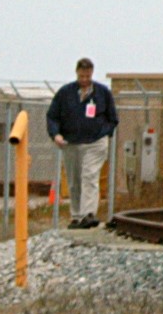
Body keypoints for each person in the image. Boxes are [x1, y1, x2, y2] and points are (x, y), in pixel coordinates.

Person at [46, 58, 119, 229]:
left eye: (87, 76)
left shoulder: (102, 93)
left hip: (95, 142)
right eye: (81, 76)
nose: (85, 79)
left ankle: (88, 214)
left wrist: (104, 133)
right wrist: (55, 134)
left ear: (92, 73)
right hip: (71, 142)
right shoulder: (65, 93)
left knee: (89, 175)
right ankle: (77, 216)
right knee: (74, 180)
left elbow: (113, 118)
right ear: (76, 73)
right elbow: (52, 116)